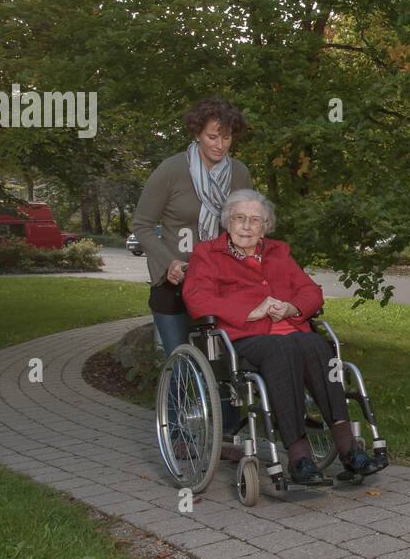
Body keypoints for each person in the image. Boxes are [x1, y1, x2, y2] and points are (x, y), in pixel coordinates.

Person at [182, 189, 383, 485]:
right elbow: (196, 299)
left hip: (293, 334)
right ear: (227, 221)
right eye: (240, 218)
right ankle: (299, 456)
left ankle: (348, 447)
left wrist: (292, 307)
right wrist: (251, 311)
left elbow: (311, 291)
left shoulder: (279, 252)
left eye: (255, 220)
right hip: (243, 340)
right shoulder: (207, 254)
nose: (247, 226)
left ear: (266, 226)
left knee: (315, 343)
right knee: (281, 348)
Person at [134, 98, 251, 450]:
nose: (220, 145)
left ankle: (227, 432)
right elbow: (141, 226)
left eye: (226, 138)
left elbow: (247, 224)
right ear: (197, 134)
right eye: (213, 137)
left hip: (220, 281)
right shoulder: (171, 171)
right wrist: (168, 262)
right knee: (181, 359)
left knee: (226, 359)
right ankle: (179, 434)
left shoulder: (239, 173)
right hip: (175, 281)